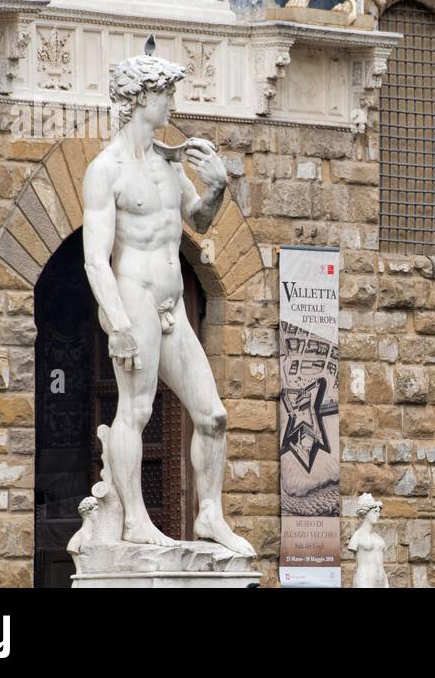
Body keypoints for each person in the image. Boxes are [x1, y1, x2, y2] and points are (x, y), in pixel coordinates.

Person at [81, 40, 253, 555]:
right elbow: (95, 258)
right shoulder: (106, 170)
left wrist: (218, 187)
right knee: (135, 411)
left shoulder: (167, 162)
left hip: (173, 305)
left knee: (213, 415)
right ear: (139, 99)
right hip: (133, 297)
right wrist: (117, 322)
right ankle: (135, 519)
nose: (172, 104)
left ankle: (209, 517)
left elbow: (196, 221)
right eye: (165, 93)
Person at [348, 493, 389, 588]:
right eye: (375, 512)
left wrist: (386, 583)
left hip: (381, 581)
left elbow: (380, 564)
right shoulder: (357, 536)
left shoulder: (379, 538)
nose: (378, 515)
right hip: (364, 581)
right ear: (365, 513)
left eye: (379, 512)